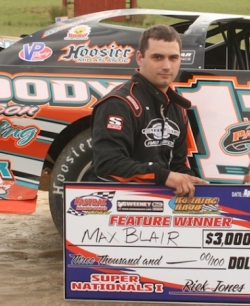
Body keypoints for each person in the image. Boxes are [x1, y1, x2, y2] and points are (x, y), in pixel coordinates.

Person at [89, 24, 209, 198]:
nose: (167, 66)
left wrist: (190, 180)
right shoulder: (119, 104)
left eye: (173, 58)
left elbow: (176, 165)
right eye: (158, 57)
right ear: (140, 58)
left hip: (157, 206)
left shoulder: (177, 107)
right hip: (111, 205)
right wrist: (163, 176)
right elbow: (108, 165)